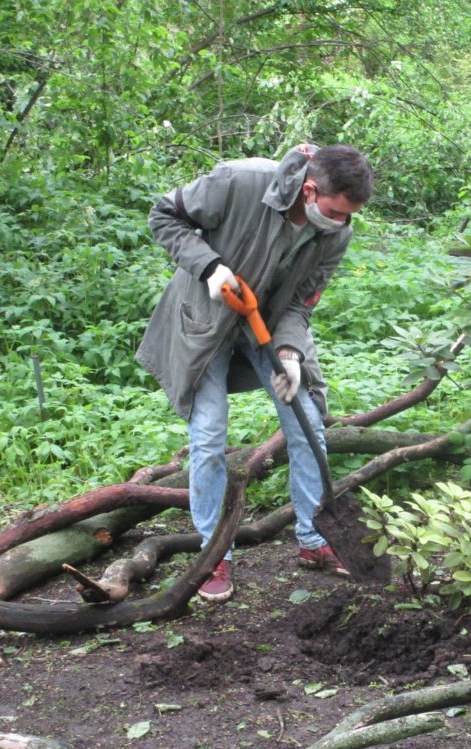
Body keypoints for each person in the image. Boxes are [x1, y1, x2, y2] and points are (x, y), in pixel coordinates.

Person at [137, 143, 374, 603]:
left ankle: (314, 538)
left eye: (349, 216)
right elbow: (164, 215)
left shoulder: (337, 233)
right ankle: (213, 553)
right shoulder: (241, 181)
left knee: (308, 426)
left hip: (267, 324)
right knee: (208, 434)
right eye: (334, 211)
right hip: (206, 320)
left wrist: (288, 353)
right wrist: (209, 266)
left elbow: (302, 302)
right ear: (309, 189)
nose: (340, 223)